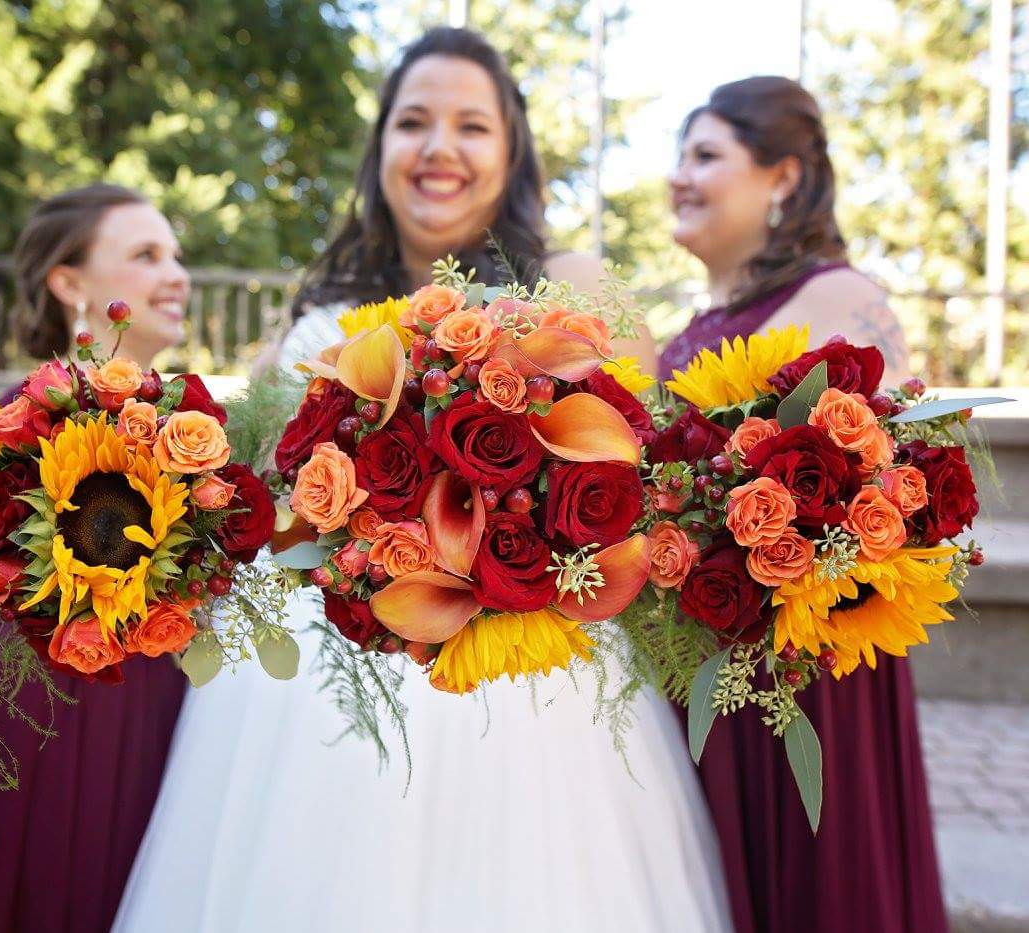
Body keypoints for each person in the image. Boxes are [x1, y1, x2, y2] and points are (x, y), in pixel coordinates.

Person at [113, 28, 728, 933]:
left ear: (511, 152)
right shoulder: (313, 309)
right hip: (316, 686)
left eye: (470, 126)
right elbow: (263, 502)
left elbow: (638, 478)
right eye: (413, 122)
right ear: (380, 151)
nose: (439, 147)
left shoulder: (574, 284)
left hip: (528, 679)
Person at [660, 76, 948, 933]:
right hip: (705, 656)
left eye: (705, 155)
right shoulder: (693, 327)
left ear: (781, 177)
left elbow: (903, 483)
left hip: (806, 672)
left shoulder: (835, 298)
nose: (679, 175)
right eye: (678, 154)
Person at [0, 184, 193, 933]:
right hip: (60, 728)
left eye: (177, 255)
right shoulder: (29, 418)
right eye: (145, 254)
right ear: (70, 283)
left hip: (163, 710)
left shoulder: (189, 421)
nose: (177, 275)